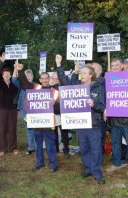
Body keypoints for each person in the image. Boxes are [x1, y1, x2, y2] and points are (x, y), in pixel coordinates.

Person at [56, 54, 106, 184]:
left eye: (85, 73)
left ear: (91, 75)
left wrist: (93, 104)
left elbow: (102, 106)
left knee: (95, 149)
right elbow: (63, 80)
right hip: (80, 124)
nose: (82, 75)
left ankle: (96, 172)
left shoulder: (98, 87)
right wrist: (59, 65)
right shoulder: (76, 86)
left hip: (94, 124)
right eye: (81, 73)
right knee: (84, 148)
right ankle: (88, 169)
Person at [17, 63, 58, 172]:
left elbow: (59, 107)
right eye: (42, 78)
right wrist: (21, 71)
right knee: (38, 145)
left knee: (50, 145)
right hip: (37, 122)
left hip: (49, 123)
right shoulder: (36, 87)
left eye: (46, 78)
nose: (44, 80)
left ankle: (53, 164)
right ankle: (40, 162)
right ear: (39, 79)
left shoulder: (54, 91)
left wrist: (55, 102)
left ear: (49, 79)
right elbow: (25, 84)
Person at [106, 58, 128, 178]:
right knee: (115, 143)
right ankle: (116, 163)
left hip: (127, 118)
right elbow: (106, 95)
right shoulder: (108, 79)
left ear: (122, 66)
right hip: (114, 118)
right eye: (113, 66)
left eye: (117, 65)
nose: (115, 67)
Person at [12, 67, 36, 155]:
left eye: (30, 75)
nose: (28, 77)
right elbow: (14, 80)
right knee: (29, 129)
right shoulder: (21, 85)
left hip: (34, 111)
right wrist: (15, 68)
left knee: (36, 128)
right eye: (26, 75)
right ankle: (31, 147)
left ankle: (36, 146)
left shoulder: (36, 86)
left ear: (32, 77)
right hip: (24, 110)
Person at [51, 72, 70, 160]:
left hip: (63, 113)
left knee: (64, 133)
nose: (55, 80)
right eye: (54, 78)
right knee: (54, 133)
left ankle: (66, 150)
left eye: (56, 78)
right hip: (55, 113)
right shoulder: (52, 88)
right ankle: (56, 149)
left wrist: (58, 100)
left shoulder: (65, 86)